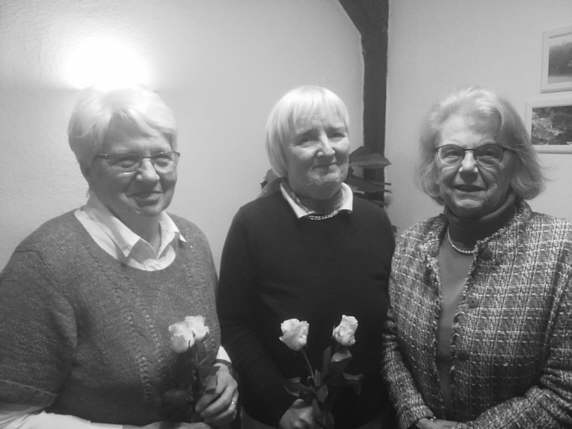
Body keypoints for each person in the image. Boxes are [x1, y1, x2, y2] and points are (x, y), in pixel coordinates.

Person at [0, 86, 238, 429]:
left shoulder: (193, 242)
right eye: (127, 160)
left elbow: (207, 339)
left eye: (162, 157)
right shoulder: (45, 264)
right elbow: (8, 416)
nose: (151, 175)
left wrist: (222, 370)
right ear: (87, 168)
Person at [382, 86, 572, 429]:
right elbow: (391, 341)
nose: (467, 167)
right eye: (452, 153)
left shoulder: (563, 251)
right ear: (434, 164)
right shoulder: (410, 243)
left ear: (516, 163)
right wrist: (415, 415)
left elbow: (564, 389)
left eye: (488, 153)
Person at [217, 86, 396, 429]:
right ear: (281, 154)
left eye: (336, 134)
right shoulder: (252, 223)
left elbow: (389, 323)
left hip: (369, 417)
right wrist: (280, 405)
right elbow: (233, 323)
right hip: (281, 419)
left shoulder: (375, 221)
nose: (327, 149)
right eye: (307, 138)